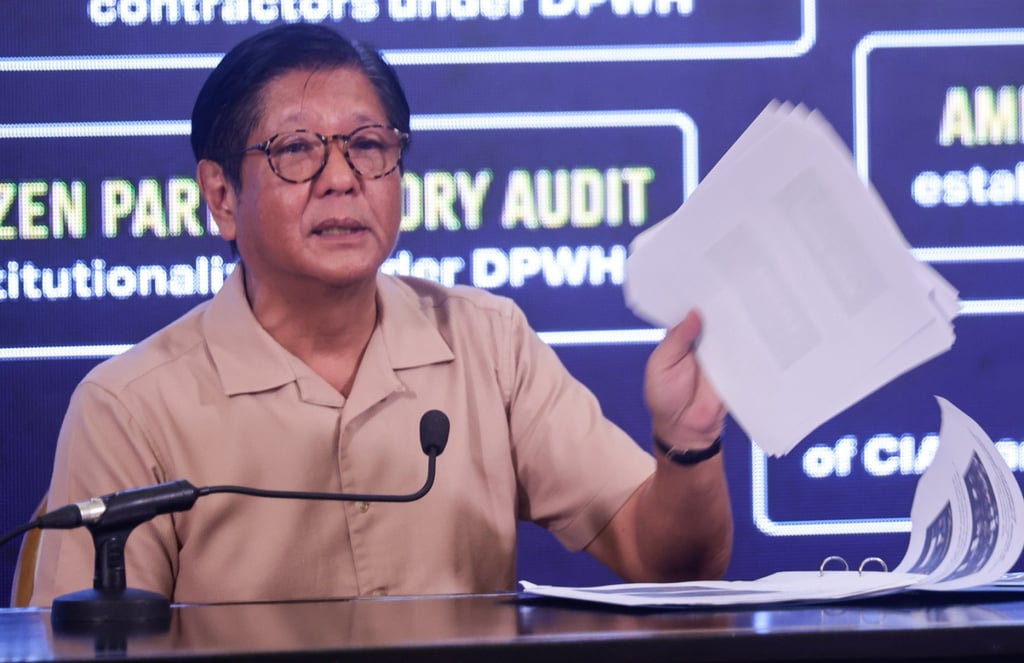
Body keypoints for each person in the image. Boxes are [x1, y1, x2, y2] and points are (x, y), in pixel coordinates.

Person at [29, 23, 732, 606]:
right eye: (296, 150)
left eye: (368, 146)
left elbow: (668, 562)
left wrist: (686, 443)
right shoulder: (129, 406)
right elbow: (82, 646)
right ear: (220, 196)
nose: (342, 178)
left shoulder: (488, 341)